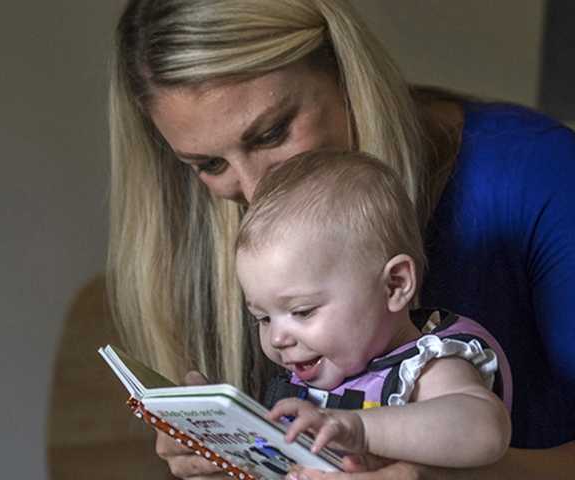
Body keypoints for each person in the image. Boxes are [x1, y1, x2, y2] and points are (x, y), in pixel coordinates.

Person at [107, 0, 575, 478]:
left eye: (271, 133)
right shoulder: (252, 281)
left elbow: (480, 432)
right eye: (210, 165)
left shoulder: (540, 179)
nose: (254, 192)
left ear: (343, 72)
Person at [235, 150, 512, 469]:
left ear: (394, 285)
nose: (278, 337)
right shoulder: (315, 377)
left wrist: (363, 429)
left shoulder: (429, 367)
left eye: (302, 311)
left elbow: (486, 432)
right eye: (264, 318)